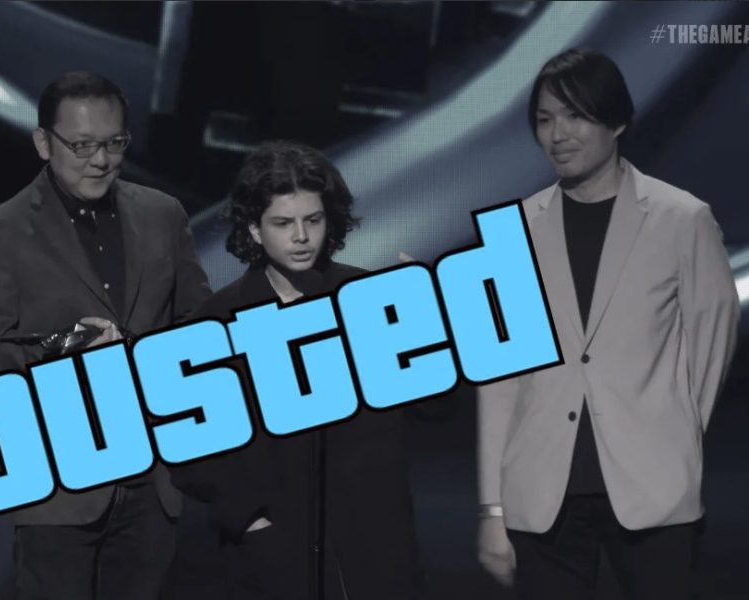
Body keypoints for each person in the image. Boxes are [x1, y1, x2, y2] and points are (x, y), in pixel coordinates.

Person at [477, 49, 740, 600]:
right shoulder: (516, 231)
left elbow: (710, 350)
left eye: (575, 115)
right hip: (542, 494)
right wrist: (492, 510)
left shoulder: (682, 219)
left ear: (617, 121)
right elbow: (500, 382)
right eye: (544, 119)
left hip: (653, 493)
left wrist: (670, 440)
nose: (558, 135)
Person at [0, 71, 211, 600]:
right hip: (61, 485)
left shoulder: (163, 215)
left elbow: (197, 325)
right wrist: (68, 350)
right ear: (43, 142)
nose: (100, 160)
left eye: (114, 143)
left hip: (152, 480)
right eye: (82, 145)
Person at [172, 140, 425, 599]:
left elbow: (433, 409)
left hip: (376, 547)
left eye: (313, 220)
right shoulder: (218, 323)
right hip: (275, 556)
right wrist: (250, 519)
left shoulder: (367, 299)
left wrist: (427, 324)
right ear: (254, 229)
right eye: (283, 223)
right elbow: (189, 450)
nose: (302, 236)